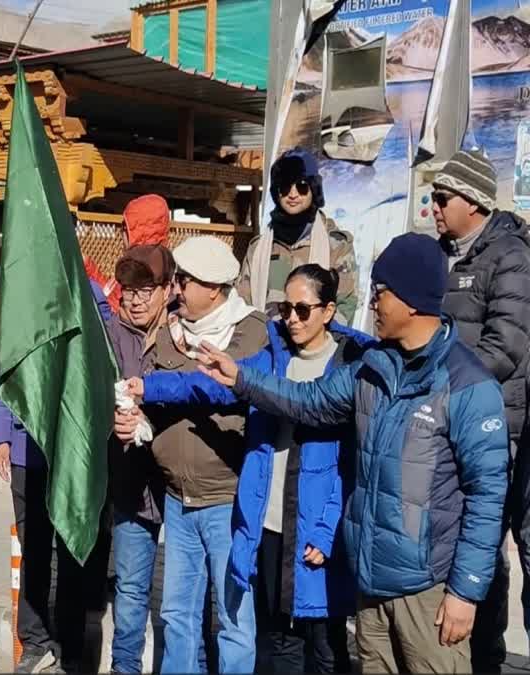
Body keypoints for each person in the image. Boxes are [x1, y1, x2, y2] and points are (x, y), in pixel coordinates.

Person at [198, 232, 509, 673]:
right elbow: (309, 400)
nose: (371, 305)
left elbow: (488, 496)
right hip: (370, 586)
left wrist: (466, 591)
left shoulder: (468, 385)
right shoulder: (370, 367)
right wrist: (241, 380)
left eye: (381, 294)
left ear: (411, 300)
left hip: (428, 593)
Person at [129, 264, 369, 673]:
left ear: (329, 311)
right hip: (267, 522)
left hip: (315, 529)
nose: (291, 318)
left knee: (324, 646)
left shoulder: (349, 367)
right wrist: (148, 387)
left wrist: (328, 528)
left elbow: (350, 465)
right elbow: (208, 385)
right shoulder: (273, 356)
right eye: (284, 308)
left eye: (303, 309)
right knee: (274, 641)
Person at [134, 235, 268, 674]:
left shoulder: (250, 331)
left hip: (227, 502)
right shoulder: (170, 331)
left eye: (185, 281)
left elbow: (214, 389)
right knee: (177, 616)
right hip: (178, 499)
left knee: (233, 619)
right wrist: (134, 418)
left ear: (213, 287)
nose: (176, 290)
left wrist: (152, 389)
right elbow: (150, 396)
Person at [431, 147, 530, 673]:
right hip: (446, 418)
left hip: (496, 425)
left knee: (484, 545)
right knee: (455, 537)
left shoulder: (509, 255)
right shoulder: (441, 253)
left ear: (472, 200)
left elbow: (506, 349)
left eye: (442, 198)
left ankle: (487, 658)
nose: (434, 208)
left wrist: (437, 386)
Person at [0, 278, 110, 673]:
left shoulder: (88, 291)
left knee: (73, 551)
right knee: (34, 554)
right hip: (27, 452)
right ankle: (36, 642)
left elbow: (104, 354)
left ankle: (71, 646)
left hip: (73, 452)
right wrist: (1, 435)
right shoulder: (21, 294)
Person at [106, 244, 171, 674]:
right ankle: (124, 668)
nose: (135, 299)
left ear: (167, 289)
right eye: (129, 289)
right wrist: (111, 420)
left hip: (181, 485)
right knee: (130, 589)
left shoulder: (184, 333)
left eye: (145, 289)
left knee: (185, 596)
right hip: (130, 484)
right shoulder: (111, 335)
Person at [239, 148, 359, 326]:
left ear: (314, 190)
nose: (293, 194)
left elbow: (345, 304)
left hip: (317, 347)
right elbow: (243, 305)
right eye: (286, 186)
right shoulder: (259, 248)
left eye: (302, 186)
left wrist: (315, 342)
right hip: (266, 345)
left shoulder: (336, 245)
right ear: (276, 191)